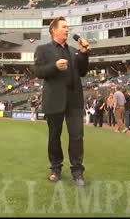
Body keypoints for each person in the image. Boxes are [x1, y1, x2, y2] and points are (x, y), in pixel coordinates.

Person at [34, 16, 89, 187]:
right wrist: (54, 66)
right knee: (54, 136)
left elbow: (83, 72)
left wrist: (85, 54)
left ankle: (78, 171)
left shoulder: (74, 51)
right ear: (54, 30)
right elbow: (37, 71)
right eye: (64, 26)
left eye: (68, 27)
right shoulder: (42, 49)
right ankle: (56, 168)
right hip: (54, 100)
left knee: (77, 136)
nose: (67, 29)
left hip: (74, 100)